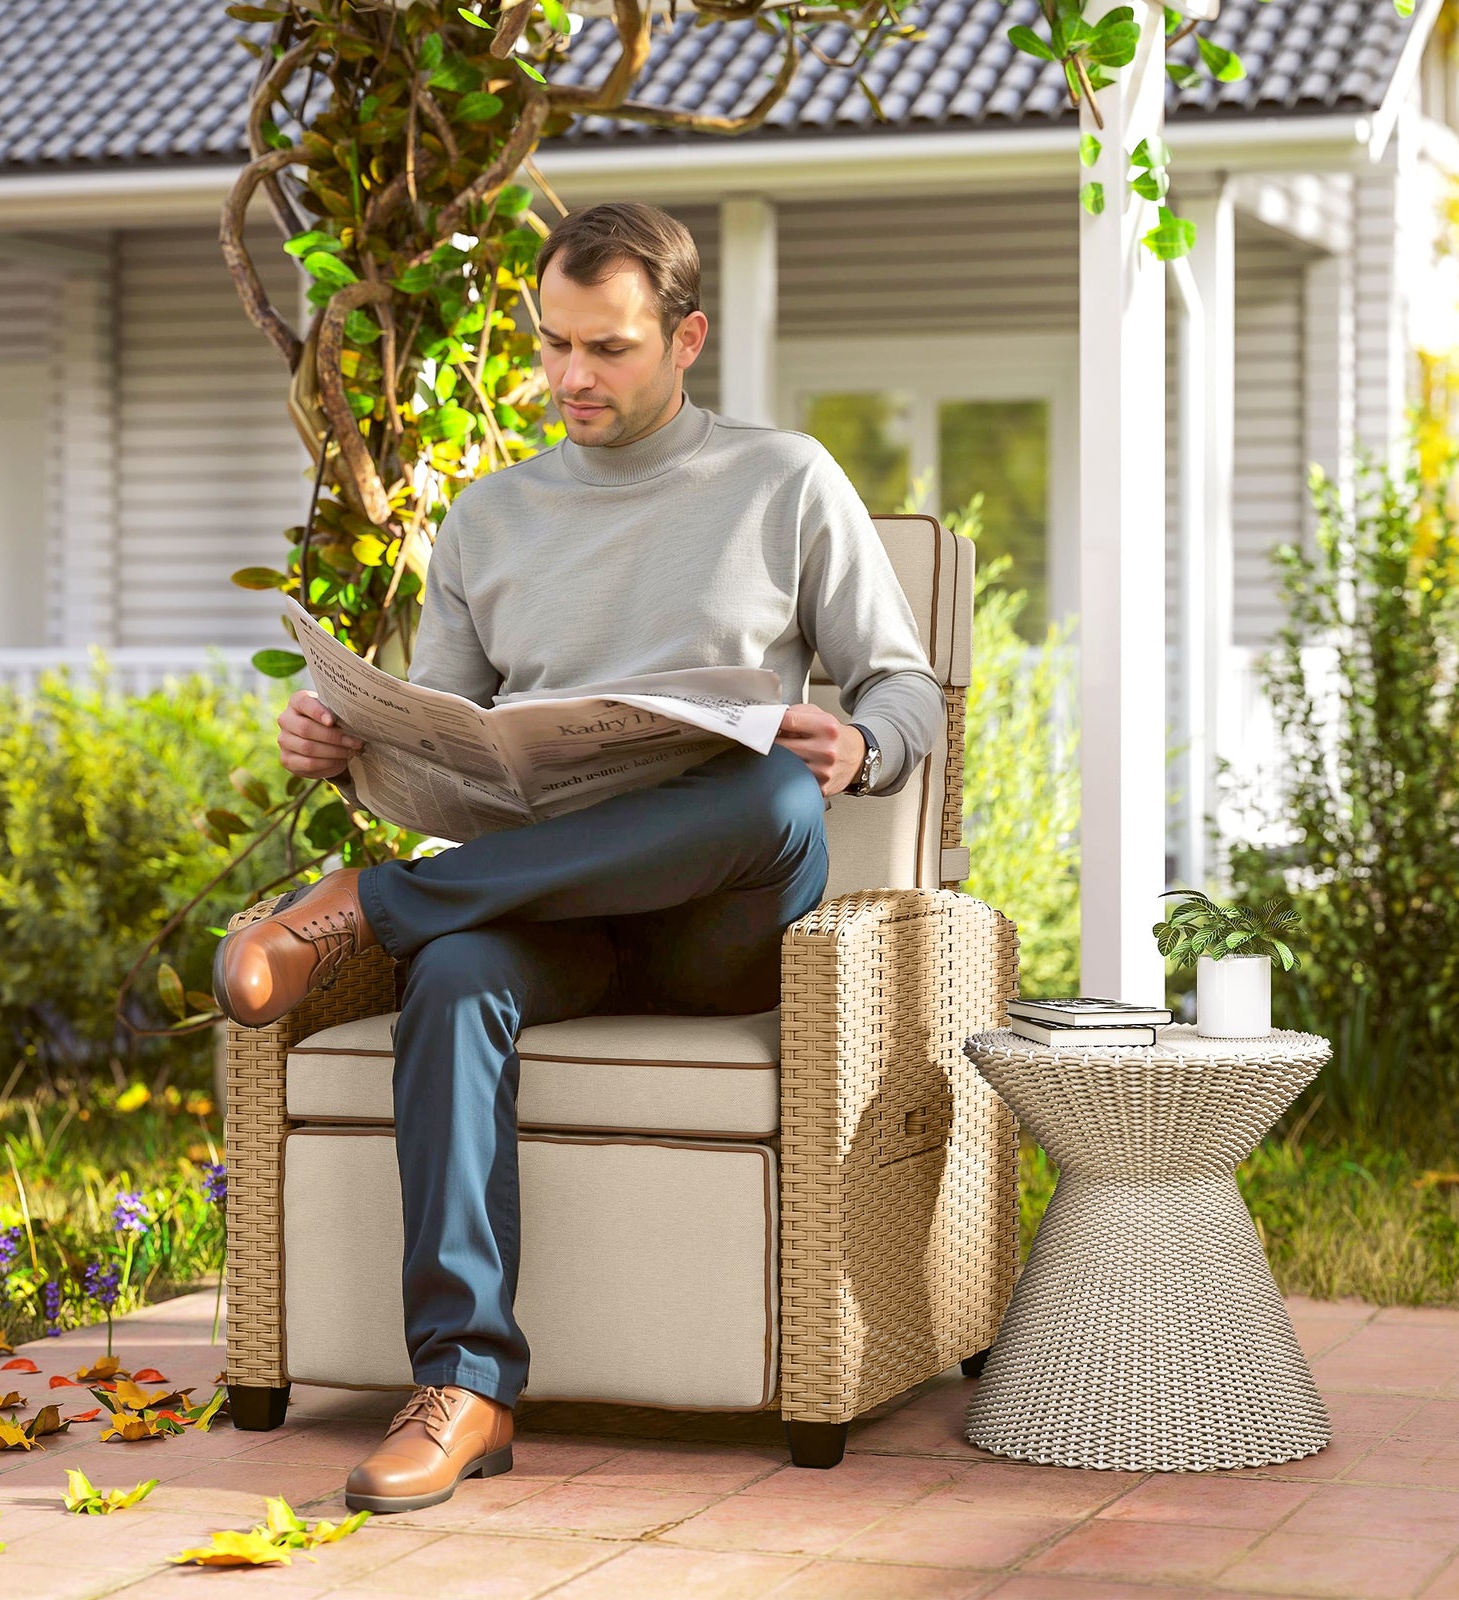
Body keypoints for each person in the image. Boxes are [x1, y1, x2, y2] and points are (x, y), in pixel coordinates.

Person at [212, 202, 943, 1514]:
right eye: (552, 346)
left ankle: (372, 912)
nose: (570, 379)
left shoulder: (784, 482)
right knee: (451, 982)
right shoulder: (491, 518)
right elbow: (442, 740)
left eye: (605, 349)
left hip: (720, 923)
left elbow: (906, 688)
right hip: (553, 902)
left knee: (774, 796)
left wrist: (861, 749)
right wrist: (344, 742)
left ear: (686, 337)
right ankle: (468, 1386)